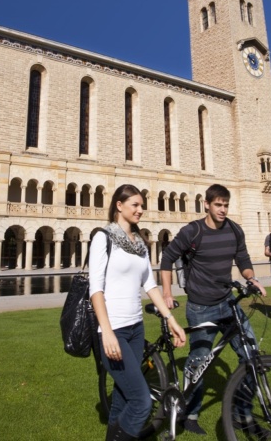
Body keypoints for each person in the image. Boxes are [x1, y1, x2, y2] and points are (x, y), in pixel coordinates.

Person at [159, 184, 266, 436]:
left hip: (228, 303)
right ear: (206, 204)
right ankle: (191, 413)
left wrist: (251, 277)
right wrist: (166, 293)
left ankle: (242, 411)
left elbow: (243, 260)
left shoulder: (234, 229)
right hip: (200, 307)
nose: (222, 209)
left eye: (226, 205)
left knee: (252, 356)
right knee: (199, 363)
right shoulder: (193, 231)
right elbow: (167, 258)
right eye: (218, 204)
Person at [90, 184, 186, 441]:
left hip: (135, 329)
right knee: (142, 401)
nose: (140, 210)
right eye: (135, 205)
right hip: (114, 331)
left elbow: (149, 285)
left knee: (122, 399)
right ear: (119, 206)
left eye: (142, 205)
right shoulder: (103, 237)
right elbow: (95, 289)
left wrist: (171, 318)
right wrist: (107, 332)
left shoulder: (140, 243)